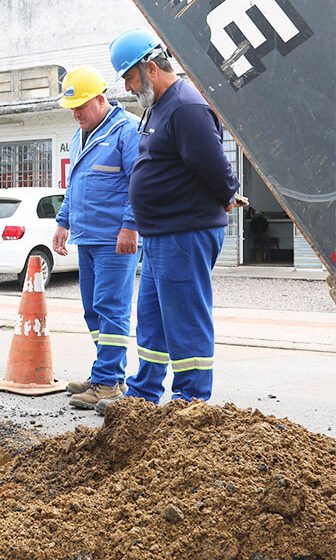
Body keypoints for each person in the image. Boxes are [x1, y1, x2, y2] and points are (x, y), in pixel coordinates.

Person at [98, 29, 241, 414]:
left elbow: (214, 165)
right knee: (152, 317)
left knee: (185, 316)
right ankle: (143, 394)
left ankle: (191, 401)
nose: (128, 88)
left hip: (186, 231)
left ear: (150, 68)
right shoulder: (158, 107)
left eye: (129, 77)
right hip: (162, 233)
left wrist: (227, 194)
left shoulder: (185, 107)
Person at [52, 65, 141, 410]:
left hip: (115, 240)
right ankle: (106, 372)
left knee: (112, 308)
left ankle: (107, 383)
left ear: (101, 100)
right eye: (72, 108)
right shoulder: (80, 136)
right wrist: (63, 222)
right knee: (93, 310)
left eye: (82, 106)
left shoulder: (127, 131)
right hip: (88, 237)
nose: (76, 114)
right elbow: (75, 185)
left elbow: (139, 182)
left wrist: (130, 226)